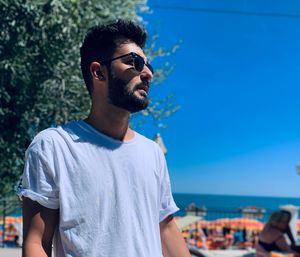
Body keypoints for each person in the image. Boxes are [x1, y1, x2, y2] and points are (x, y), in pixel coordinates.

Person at [18, 20, 191, 257]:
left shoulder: (152, 153)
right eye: (134, 62)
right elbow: (36, 243)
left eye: (148, 65)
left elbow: (166, 229)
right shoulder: (54, 146)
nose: (148, 73)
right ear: (98, 72)